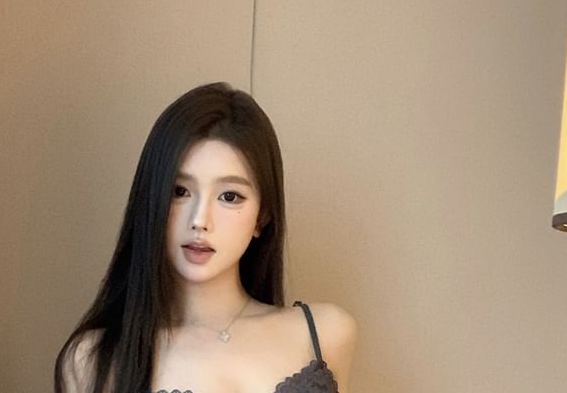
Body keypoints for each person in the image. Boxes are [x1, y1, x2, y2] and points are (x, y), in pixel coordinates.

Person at [54, 82, 356, 393]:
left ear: (262, 216)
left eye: (229, 196)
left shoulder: (327, 333)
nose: (200, 220)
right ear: (152, 199)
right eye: (179, 191)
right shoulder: (93, 360)